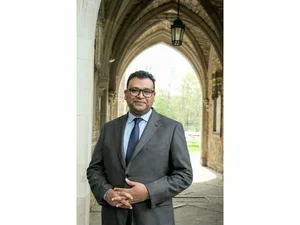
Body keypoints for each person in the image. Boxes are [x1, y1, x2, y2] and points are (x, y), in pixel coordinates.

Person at [87, 70, 193, 225]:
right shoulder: (110, 128)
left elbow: (184, 175)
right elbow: (94, 169)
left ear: (154, 96)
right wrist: (106, 193)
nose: (140, 95)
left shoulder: (171, 128)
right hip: (114, 216)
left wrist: (148, 192)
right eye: (135, 90)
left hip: (154, 217)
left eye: (147, 91)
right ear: (125, 94)